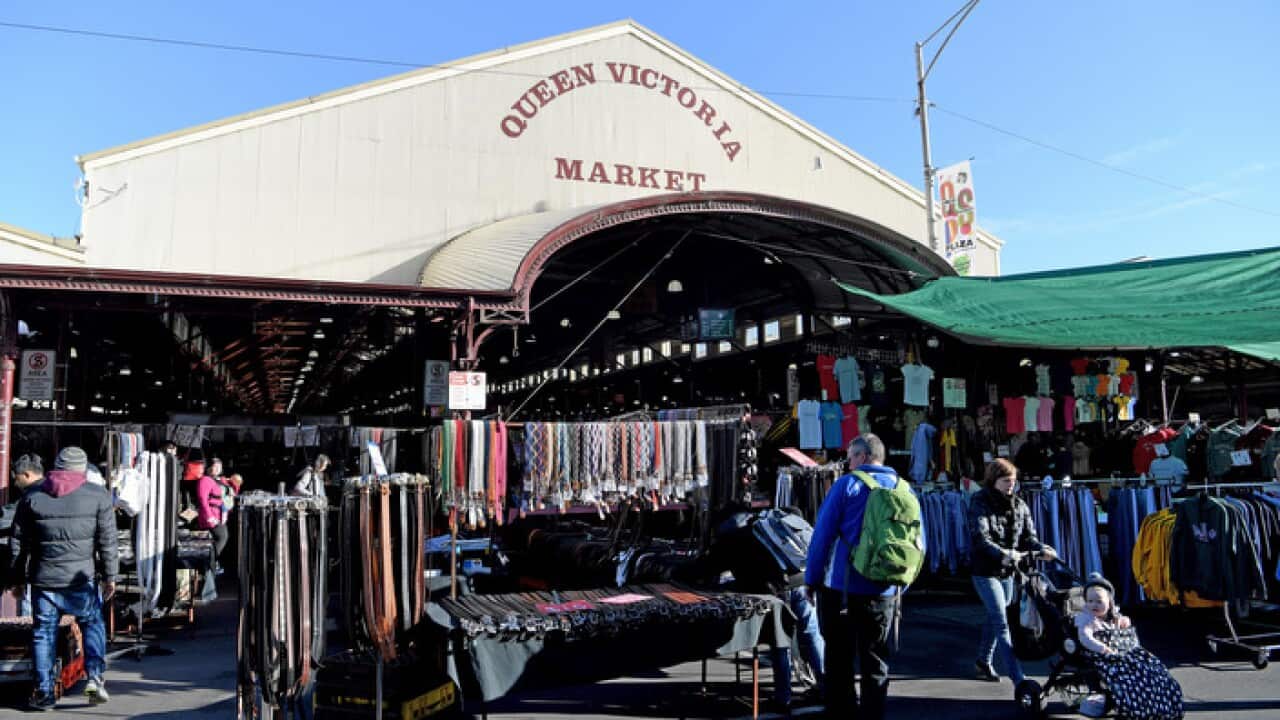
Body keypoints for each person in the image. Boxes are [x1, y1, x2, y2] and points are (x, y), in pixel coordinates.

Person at [10, 446, 117, 710]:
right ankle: (94, 679)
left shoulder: (32, 497)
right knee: (91, 624)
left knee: (43, 633)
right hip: (80, 579)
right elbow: (108, 542)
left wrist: (17, 578)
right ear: (83, 469)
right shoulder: (98, 496)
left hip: (44, 579)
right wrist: (111, 575)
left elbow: (18, 542)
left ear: (56, 466)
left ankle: (44, 691)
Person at [804, 433, 902, 720]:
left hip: (842, 589)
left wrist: (811, 579)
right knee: (876, 659)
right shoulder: (902, 488)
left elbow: (822, 536)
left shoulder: (847, 485)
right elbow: (918, 543)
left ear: (863, 457)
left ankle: (843, 712)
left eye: (850, 457)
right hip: (885, 591)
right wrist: (899, 586)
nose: (847, 463)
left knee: (839, 659)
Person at [967, 458, 1056, 687]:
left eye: (1014, 481)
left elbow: (1029, 536)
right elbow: (980, 537)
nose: (1011, 485)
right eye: (1006, 481)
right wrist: (1003, 553)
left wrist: (1041, 548)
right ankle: (1019, 679)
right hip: (986, 570)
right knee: (1001, 622)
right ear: (993, 480)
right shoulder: (979, 501)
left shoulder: (1019, 504)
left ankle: (982, 661)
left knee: (996, 615)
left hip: (1008, 571)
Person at [1074, 574, 1183, 719]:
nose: (1094, 605)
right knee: (1131, 679)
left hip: (1126, 651)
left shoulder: (1112, 617)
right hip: (1105, 656)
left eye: (1099, 601)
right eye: (1090, 601)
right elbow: (1085, 638)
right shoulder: (1087, 620)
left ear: (1110, 602)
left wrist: (1124, 622)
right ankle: (1138, 708)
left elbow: (1123, 628)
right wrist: (1102, 648)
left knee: (1154, 668)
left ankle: (1166, 703)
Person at [0, 454, 46, 615]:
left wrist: (15, 576)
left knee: (33, 618)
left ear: (27, 475)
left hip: (34, 566)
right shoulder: (55, 492)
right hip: (58, 567)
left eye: (16, 478)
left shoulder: (30, 497)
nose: (14, 483)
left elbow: (15, 536)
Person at [195, 458, 227, 568]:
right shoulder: (205, 480)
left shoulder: (217, 480)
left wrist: (224, 511)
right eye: (216, 466)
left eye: (220, 467)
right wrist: (209, 517)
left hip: (217, 514)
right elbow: (202, 499)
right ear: (209, 468)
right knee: (222, 536)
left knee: (216, 539)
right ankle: (211, 561)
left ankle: (212, 563)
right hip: (209, 515)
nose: (218, 469)